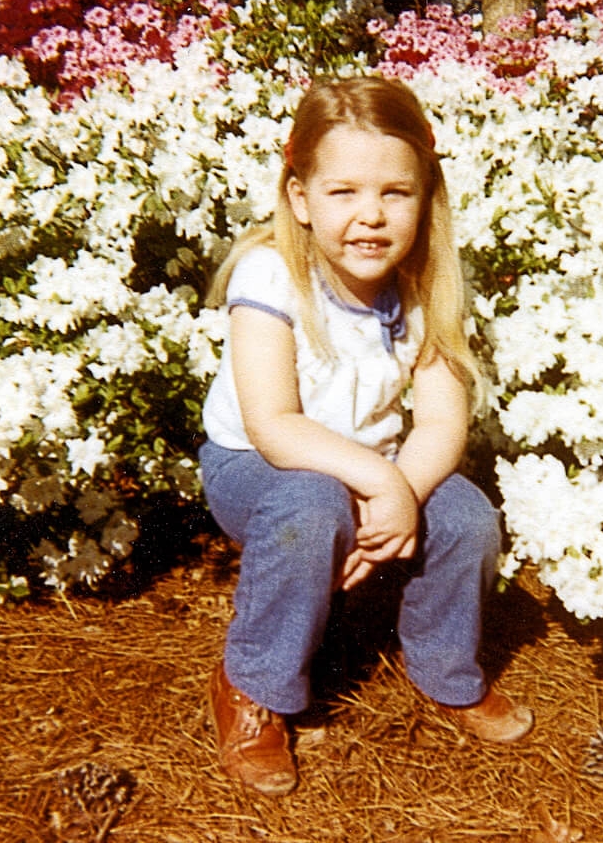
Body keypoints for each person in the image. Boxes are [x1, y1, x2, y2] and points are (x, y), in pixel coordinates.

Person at [198, 76, 533, 797]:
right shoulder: (270, 275)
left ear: (426, 196)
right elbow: (273, 426)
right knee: (311, 505)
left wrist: (401, 491)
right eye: (343, 191)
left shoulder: (422, 289)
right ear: (300, 199)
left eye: (395, 192)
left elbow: (441, 422)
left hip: (372, 467)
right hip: (256, 469)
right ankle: (254, 682)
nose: (370, 215)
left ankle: (444, 669)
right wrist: (383, 485)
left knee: (467, 517)